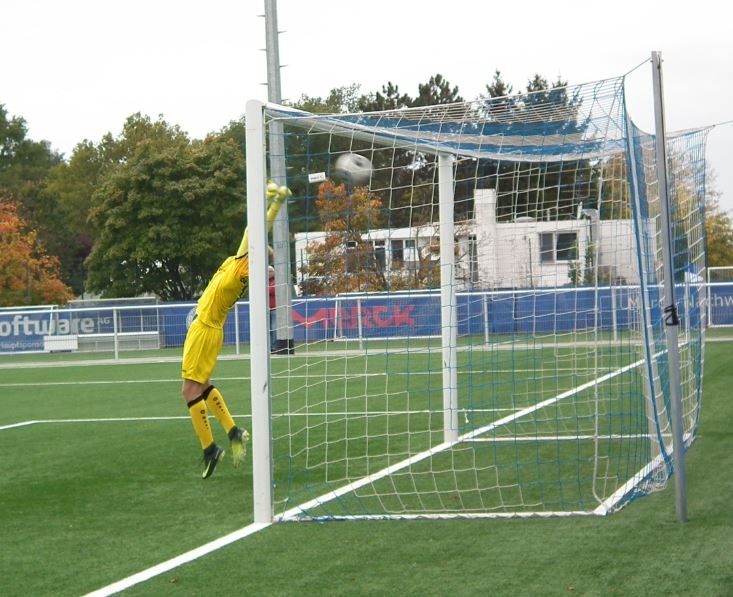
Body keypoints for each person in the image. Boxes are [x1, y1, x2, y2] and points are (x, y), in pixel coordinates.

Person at [181, 181, 291, 479]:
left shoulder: (242, 268)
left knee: (189, 390)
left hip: (204, 330)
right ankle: (234, 432)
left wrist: (272, 200)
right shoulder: (241, 264)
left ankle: (209, 449)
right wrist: (275, 201)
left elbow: (255, 229)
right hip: (208, 328)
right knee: (202, 386)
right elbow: (254, 230)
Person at [268, 265, 277, 351]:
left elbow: (272, 290)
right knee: (268, 329)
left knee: (274, 328)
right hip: (266, 310)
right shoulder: (263, 281)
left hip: (274, 309)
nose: (269, 273)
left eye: (270, 271)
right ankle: (269, 346)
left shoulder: (276, 281)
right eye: (267, 271)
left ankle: (274, 347)